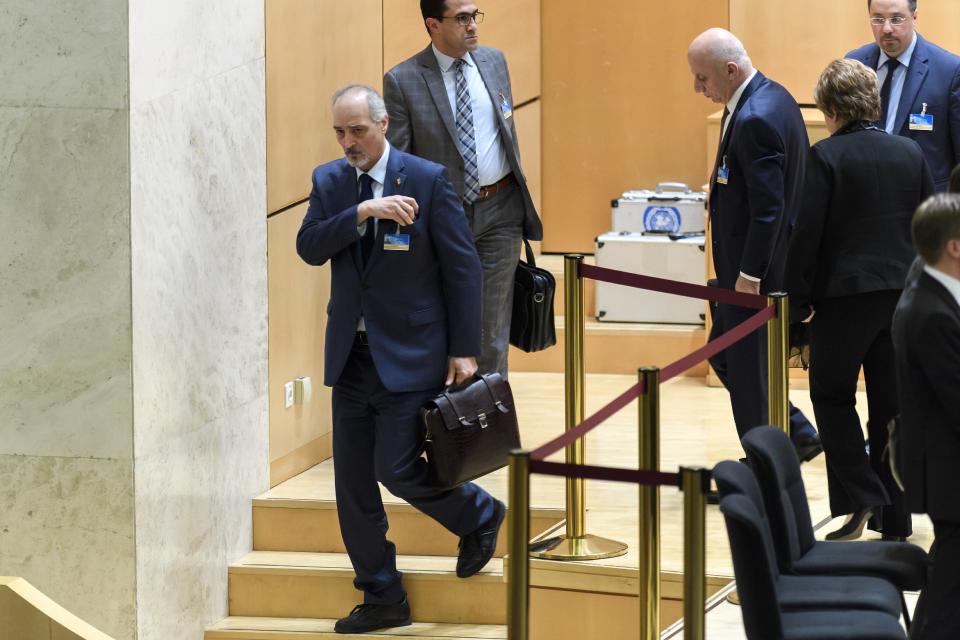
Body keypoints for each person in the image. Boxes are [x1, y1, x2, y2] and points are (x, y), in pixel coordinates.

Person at [296, 85, 505, 635]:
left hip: (413, 353)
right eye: (339, 132)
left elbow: (463, 270)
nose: (348, 143)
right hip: (352, 359)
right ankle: (383, 594)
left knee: (396, 467)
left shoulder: (428, 179)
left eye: (358, 130)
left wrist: (466, 349)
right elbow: (310, 246)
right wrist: (363, 210)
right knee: (352, 488)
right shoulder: (331, 182)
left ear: (383, 124)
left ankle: (480, 515)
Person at [785, 59, 935, 542]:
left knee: (832, 397)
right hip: (902, 298)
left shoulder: (824, 156)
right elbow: (931, 226)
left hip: (843, 300)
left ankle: (859, 496)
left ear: (830, 108)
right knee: (892, 407)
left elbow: (805, 235)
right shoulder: (910, 153)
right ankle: (897, 518)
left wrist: (797, 302)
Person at [383, 0, 543, 378]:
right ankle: (445, 429)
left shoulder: (494, 62)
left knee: (490, 333)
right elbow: (401, 165)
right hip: (443, 219)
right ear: (433, 25)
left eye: (475, 16)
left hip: (501, 211)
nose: (473, 25)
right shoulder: (403, 80)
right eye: (462, 18)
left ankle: (490, 430)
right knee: (445, 327)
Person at [687, 28, 821, 460]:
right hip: (752, 269)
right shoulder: (773, 96)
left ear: (729, 69)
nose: (697, 88)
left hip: (756, 277)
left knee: (746, 372)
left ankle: (765, 461)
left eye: (702, 78)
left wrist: (749, 278)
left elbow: (769, 209)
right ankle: (796, 435)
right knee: (725, 357)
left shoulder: (756, 116)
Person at [892, 193, 960, 640]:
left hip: (941, 459)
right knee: (949, 591)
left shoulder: (932, 290)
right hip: (947, 469)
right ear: (955, 246)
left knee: (950, 582)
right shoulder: (932, 313)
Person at [846, 0, 960, 193]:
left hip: (923, 201)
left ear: (914, 16)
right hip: (865, 197)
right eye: (878, 19)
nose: (887, 28)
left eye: (896, 19)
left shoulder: (949, 70)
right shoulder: (855, 64)